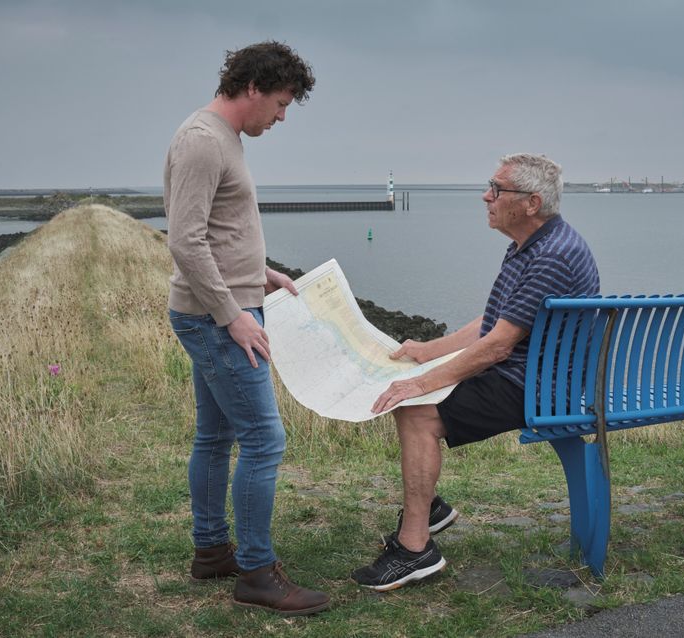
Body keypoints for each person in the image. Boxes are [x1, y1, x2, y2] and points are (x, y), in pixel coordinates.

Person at [352, 153, 600, 591]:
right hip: (538, 376)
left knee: (416, 410)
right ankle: (427, 510)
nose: (486, 196)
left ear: (531, 203)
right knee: (418, 397)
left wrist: (422, 382)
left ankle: (415, 549)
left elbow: (498, 346)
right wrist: (427, 350)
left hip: (537, 388)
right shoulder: (533, 244)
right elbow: (492, 325)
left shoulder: (550, 257)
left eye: (498, 189)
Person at [164, 41, 329, 616]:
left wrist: (260, 273)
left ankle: (212, 552)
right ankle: (257, 572)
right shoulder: (202, 141)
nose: (282, 117)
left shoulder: (223, 138)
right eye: (281, 104)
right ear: (253, 88)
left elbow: (215, 231)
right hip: (218, 317)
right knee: (265, 439)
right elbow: (184, 241)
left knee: (216, 437)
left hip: (228, 304)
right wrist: (232, 315)